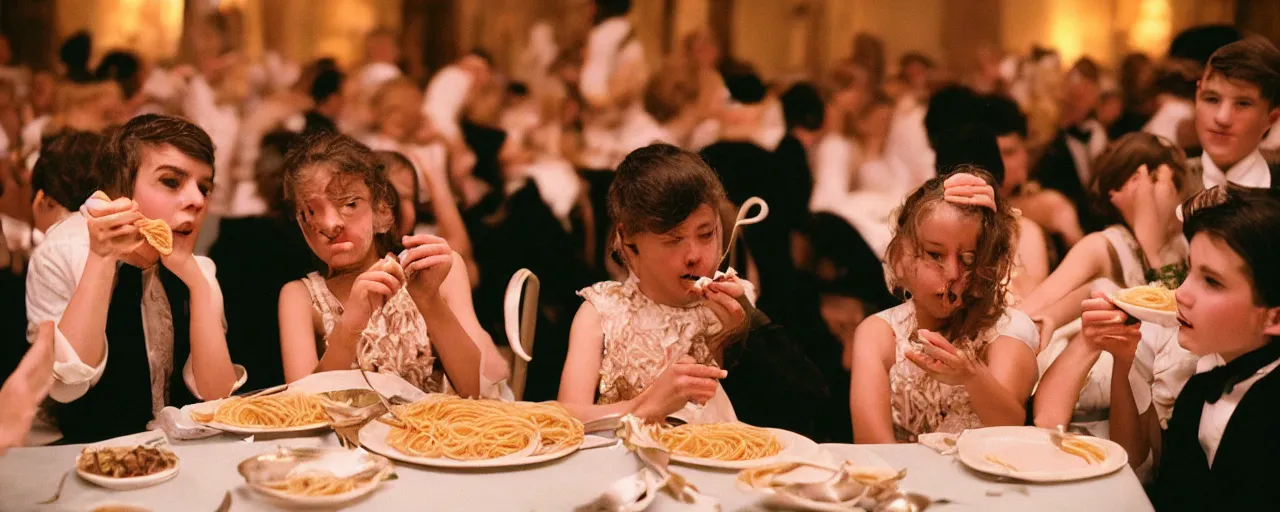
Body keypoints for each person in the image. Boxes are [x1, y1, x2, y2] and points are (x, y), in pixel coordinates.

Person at [24, 114, 245, 444]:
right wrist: (102, 258)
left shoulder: (199, 269)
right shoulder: (64, 252)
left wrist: (197, 283)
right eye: (172, 181)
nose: (197, 200)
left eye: (204, 187)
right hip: (85, 455)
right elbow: (68, 386)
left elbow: (217, 395)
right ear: (119, 190)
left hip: (179, 454)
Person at [1083, 186, 1280, 509]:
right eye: (1190, 271)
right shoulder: (1198, 392)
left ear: (1275, 316)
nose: (1182, 295)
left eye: (1212, 282)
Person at [276, 131, 506, 397]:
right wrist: (349, 328)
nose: (331, 224)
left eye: (350, 204)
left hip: (437, 434)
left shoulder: (435, 271)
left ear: (382, 211)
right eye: (311, 212)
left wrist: (429, 300)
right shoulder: (300, 297)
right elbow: (300, 408)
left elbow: (474, 390)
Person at [557, 143, 754, 423]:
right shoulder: (603, 313)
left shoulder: (730, 306)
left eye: (706, 234)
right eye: (674, 240)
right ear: (629, 243)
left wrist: (739, 332)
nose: (694, 256)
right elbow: (568, 418)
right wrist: (645, 405)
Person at [1030, 133, 1203, 436]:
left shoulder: (1182, 245)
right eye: (1167, 179)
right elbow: (1034, 307)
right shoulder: (1103, 244)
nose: (1179, 191)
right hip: (1107, 393)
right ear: (1127, 185)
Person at [849, 168, 1038, 443]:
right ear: (901, 257)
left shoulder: (1007, 330)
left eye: (969, 259)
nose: (952, 273)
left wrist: (971, 376)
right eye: (935, 254)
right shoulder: (879, 333)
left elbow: (1010, 429)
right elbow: (872, 445)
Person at [1190, 39, 1280, 189]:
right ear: (1197, 96)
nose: (1222, 118)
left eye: (1243, 104)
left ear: (1271, 118)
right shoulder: (1161, 183)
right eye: (1211, 99)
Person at [1035, 58, 1110, 234]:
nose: (1076, 102)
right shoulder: (1053, 142)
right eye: (1073, 95)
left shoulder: (1098, 131)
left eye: (1084, 95)